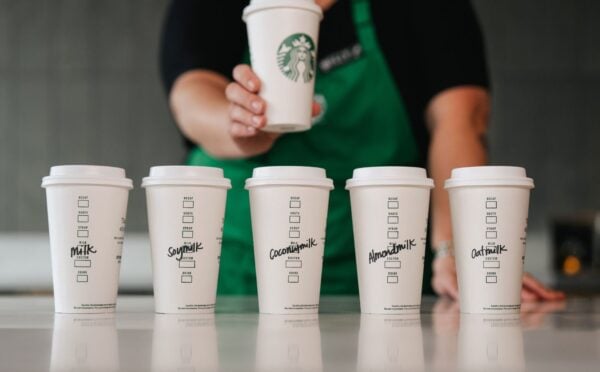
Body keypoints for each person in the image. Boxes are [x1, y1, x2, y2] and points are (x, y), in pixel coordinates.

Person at [159, 0, 564, 301]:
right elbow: (191, 95)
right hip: (236, 277)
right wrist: (243, 123)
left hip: (389, 274)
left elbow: (460, 118)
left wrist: (456, 246)